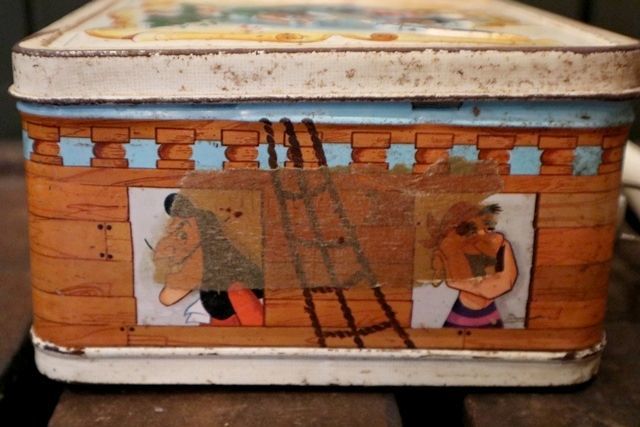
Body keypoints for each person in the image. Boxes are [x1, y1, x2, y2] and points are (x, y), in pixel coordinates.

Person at [428, 202, 518, 328]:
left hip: (490, 316)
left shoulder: (500, 244)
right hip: (461, 316)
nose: (482, 234)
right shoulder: (452, 248)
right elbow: (457, 279)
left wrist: (461, 283)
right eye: (472, 230)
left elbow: (503, 284)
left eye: (488, 228)